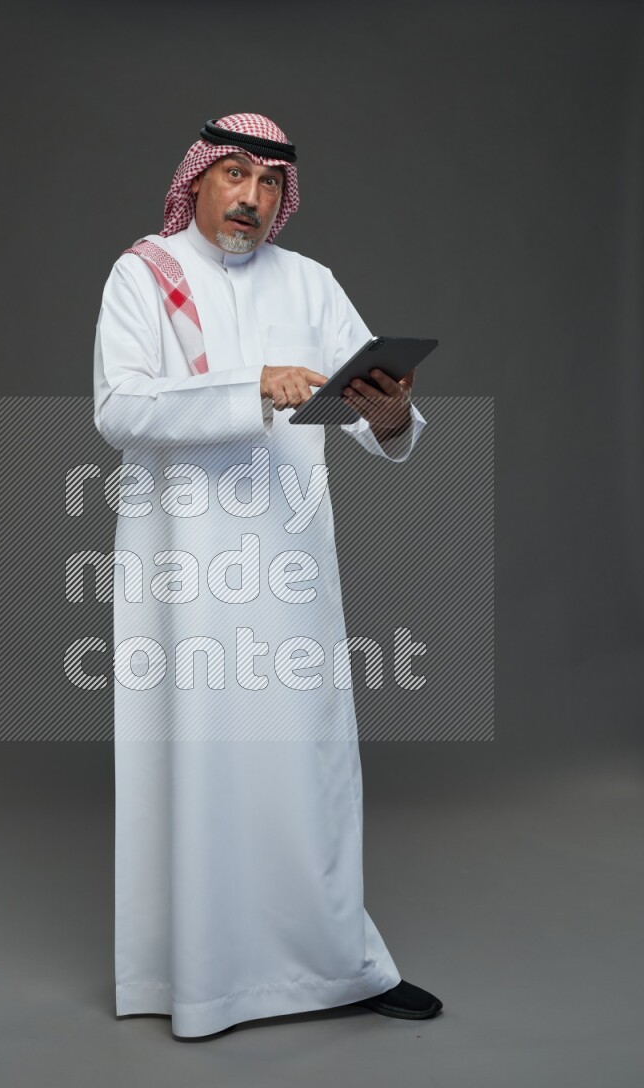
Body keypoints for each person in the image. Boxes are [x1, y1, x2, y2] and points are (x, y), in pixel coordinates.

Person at [93, 112, 442, 1038]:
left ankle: (336, 965)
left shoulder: (312, 284)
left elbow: (381, 428)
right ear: (198, 178)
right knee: (202, 763)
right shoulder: (144, 273)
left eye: (270, 184)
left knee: (308, 763)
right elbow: (119, 407)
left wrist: (395, 410)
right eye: (235, 175)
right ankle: (203, 981)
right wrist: (250, 386)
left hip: (289, 572)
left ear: (285, 198)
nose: (250, 197)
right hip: (184, 572)